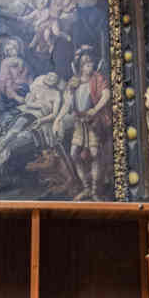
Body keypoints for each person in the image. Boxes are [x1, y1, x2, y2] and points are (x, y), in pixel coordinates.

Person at [55, 47, 111, 200]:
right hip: (79, 123)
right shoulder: (74, 82)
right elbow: (67, 103)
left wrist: (95, 109)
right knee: (74, 154)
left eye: (91, 63)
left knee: (94, 153)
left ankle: (95, 191)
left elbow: (106, 95)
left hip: (93, 122)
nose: (89, 66)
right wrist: (58, 119)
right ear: (80, 66)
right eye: (86, 63)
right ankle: (86, 188)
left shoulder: (97, 78)